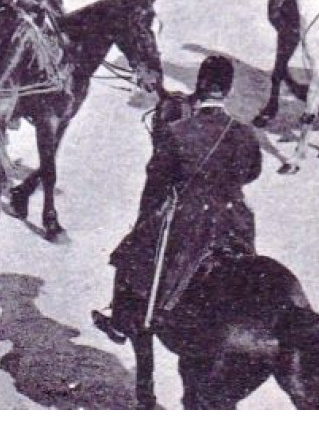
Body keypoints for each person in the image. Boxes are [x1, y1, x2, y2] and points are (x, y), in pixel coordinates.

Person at [93, 55, 262, 343]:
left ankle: (121, 323)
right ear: (229, 90)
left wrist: (145, 221)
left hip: (189, 220)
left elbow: (156, 181)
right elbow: (252, 173)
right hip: (234, 219)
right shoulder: (245, 133)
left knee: (129, 253)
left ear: (200, 85)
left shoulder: (177, 132)